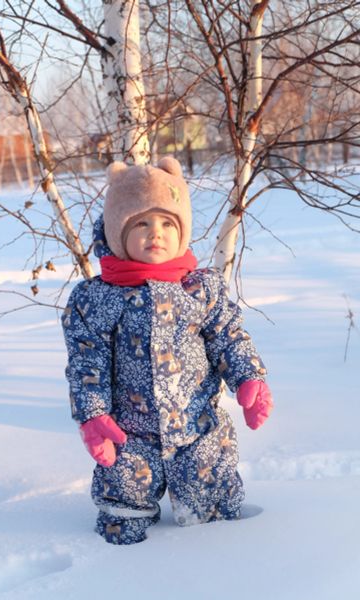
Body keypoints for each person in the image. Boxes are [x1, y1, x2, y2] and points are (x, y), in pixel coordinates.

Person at [62, 157, 273, 545]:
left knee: (212, 499)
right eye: (140, 223)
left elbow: (227, 335)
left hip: (198, 427)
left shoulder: (200, 289)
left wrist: (248, 377)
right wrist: (93, 415)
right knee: (123, 500)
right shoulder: (99, 299)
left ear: (182, 232)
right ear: (116, 232)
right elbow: (85, 362)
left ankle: (220, 555)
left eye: (166, 223)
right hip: (129, 434)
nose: (154, 233)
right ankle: (119, 564)